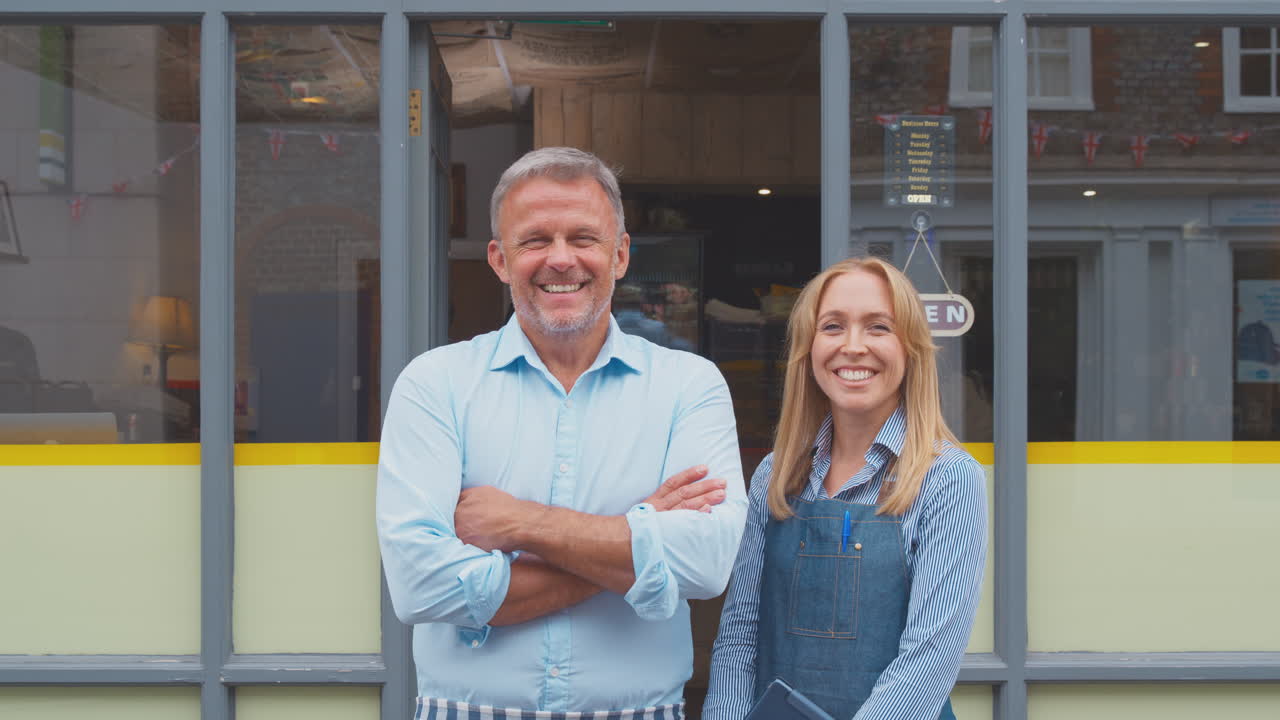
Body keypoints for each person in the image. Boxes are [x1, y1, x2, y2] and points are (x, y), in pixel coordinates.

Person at [376, 147, 748, 720]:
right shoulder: (435, 384)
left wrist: (522, 523)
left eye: (583, 238)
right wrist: (636, 535)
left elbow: (704, 564)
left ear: (619, 254)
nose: (560, 259)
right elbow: (421, 585)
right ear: (499, 260)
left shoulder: (688, 387)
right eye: (534, 241)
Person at [705, 257, 987, 720]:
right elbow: (740, 636)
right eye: (833, 326)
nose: (853, 347)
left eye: (878, 328)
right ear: (808, 348)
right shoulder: (774, 476)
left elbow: (930, 658)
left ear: (910, 348)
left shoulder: (948, 479)